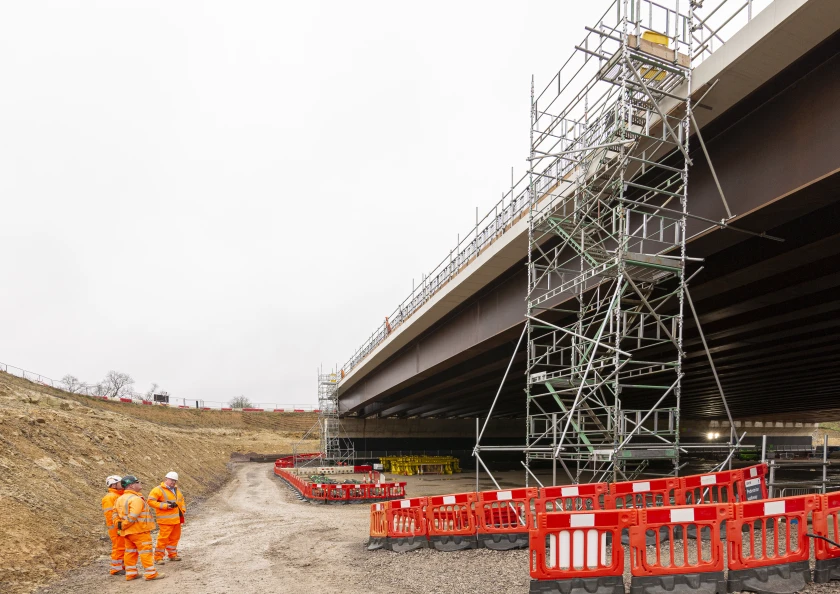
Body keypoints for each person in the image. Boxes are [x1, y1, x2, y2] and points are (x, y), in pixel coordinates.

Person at [115, 475, 166, 582]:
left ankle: (131, 574)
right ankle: (151, 574)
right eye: (137, 482)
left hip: (128, 532)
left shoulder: (119, 499)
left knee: (130, 552)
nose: (140, 484)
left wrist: (120, 525)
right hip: (139, 531)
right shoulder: (135, 499)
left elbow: (114, 514)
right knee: (145, 552)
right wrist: (124, 525)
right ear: (131, 485)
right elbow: (133, 516)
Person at [148, 471, 186, 563]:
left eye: (175, 481)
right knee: (163, 539)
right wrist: (165, 506)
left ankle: (172, 555)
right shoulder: (158, 490)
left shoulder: (176, 490)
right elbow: (150, 501)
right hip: (165, 520)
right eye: (171, 480)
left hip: (176, 520)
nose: (173, 482)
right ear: (166, 479)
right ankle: (158, 557)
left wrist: (183, 510)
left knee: (174, 538)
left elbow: (181, 500)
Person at [101, 475, 125, 576]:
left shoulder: (118, 495)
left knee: (123, 546)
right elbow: (110, 514)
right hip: (116, 527)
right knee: (118, 547)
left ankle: (122, 567)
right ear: (114, 484)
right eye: (120, 483)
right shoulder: (110, 497)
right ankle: (116, 569)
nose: (123, 485)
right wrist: (118, 525)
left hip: (120, 525)